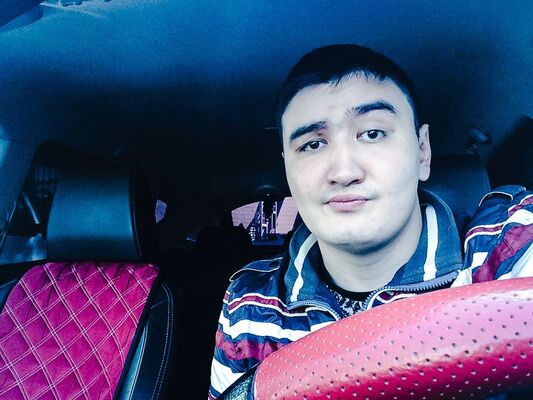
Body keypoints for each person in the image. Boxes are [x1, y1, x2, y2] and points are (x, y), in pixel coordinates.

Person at [208, 44, 533, 399]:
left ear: (422, 151)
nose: (344, 172)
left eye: (373, 133)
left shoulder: (505, 245)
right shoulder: (251, 303)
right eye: (312, 145)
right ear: (288, 168)